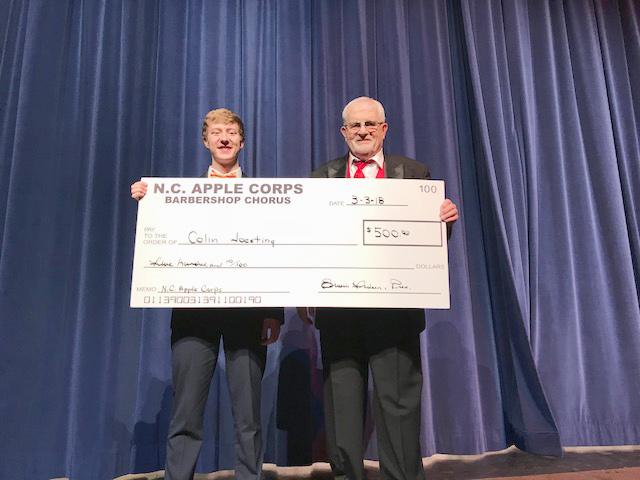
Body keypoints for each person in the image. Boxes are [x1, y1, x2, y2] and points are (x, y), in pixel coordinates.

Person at [298, 97, 458, 480]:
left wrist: (444, 223)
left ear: (384, 129)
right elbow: (307, 239)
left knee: (399, 408)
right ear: (344, 132)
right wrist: (305, 287)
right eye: (355, 125)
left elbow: (426, 239)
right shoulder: (321, 179)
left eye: (370, 124)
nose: (363, 131)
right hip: (340, 314)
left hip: (395, 315)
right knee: (343, 410)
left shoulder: (414, 174)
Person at [131, 108, 283, 480]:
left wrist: (273, 312)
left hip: (247, 314)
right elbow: (162, 240)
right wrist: (149, 202)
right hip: (194, 317)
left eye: (231, 131)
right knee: (185, 414)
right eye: (216, 132)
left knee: (248, 416)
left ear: (241, 141)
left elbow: (276, 252)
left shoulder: (269, 198)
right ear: (206, 141)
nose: (224, 138)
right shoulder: (176, 197)